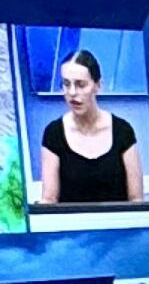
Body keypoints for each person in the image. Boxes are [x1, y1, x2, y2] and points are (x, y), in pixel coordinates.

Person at [36, 49, 143, 205]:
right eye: (66, 84)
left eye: (80, 85)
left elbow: (136, 200)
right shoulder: (54, 133)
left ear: (98, 85)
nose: (72, 93)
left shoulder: (122, 131)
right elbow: (49, 199)